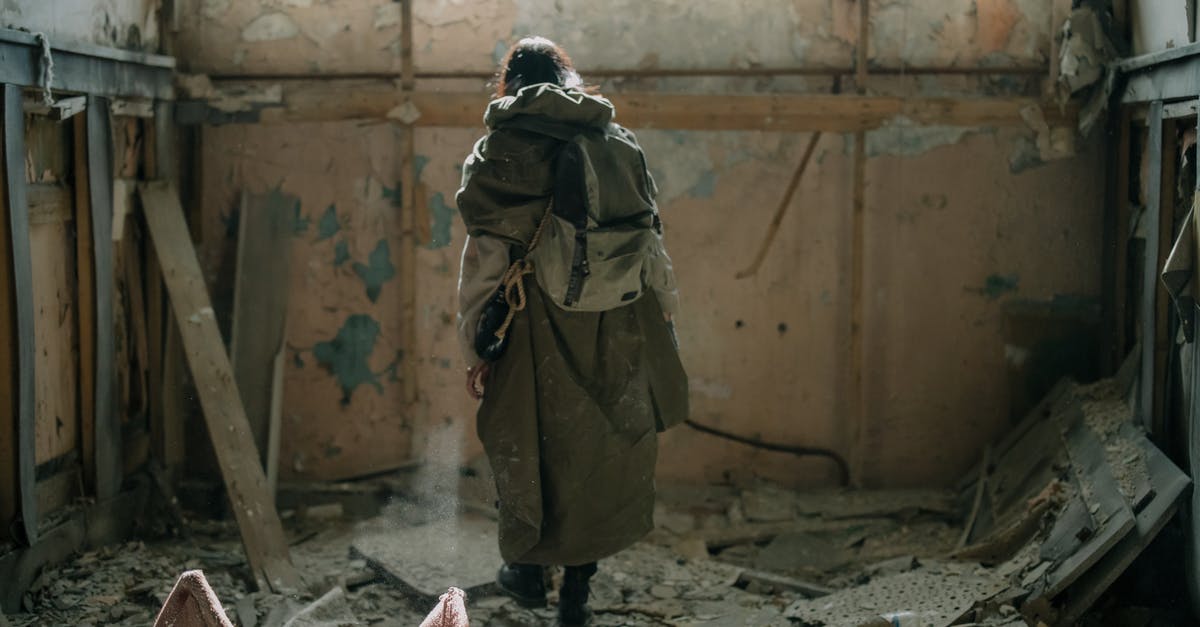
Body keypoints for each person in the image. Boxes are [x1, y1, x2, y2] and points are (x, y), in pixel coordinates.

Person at [455, 36, 689, 626]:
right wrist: (664, 314)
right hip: (618, 322)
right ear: (569, 77)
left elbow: (485, 258)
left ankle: (529, 572)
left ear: (508, 83)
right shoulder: (617, 143)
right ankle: (577, 596)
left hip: (530, 321)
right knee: (600, 453)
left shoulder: (498, 153)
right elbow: (651, 242)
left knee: (524, 441)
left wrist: (476, 344)